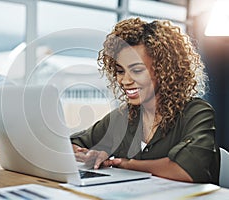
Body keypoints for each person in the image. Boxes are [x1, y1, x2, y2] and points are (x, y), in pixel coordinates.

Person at [71, 17, 220, 184]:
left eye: (136, 70)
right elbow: (70, 145)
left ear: (164, 70)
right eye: (120, 71)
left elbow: (188, 170)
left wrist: (127, 164)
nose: (125, 80)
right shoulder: (123, 117)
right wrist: (89, 156)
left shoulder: (197, 113)